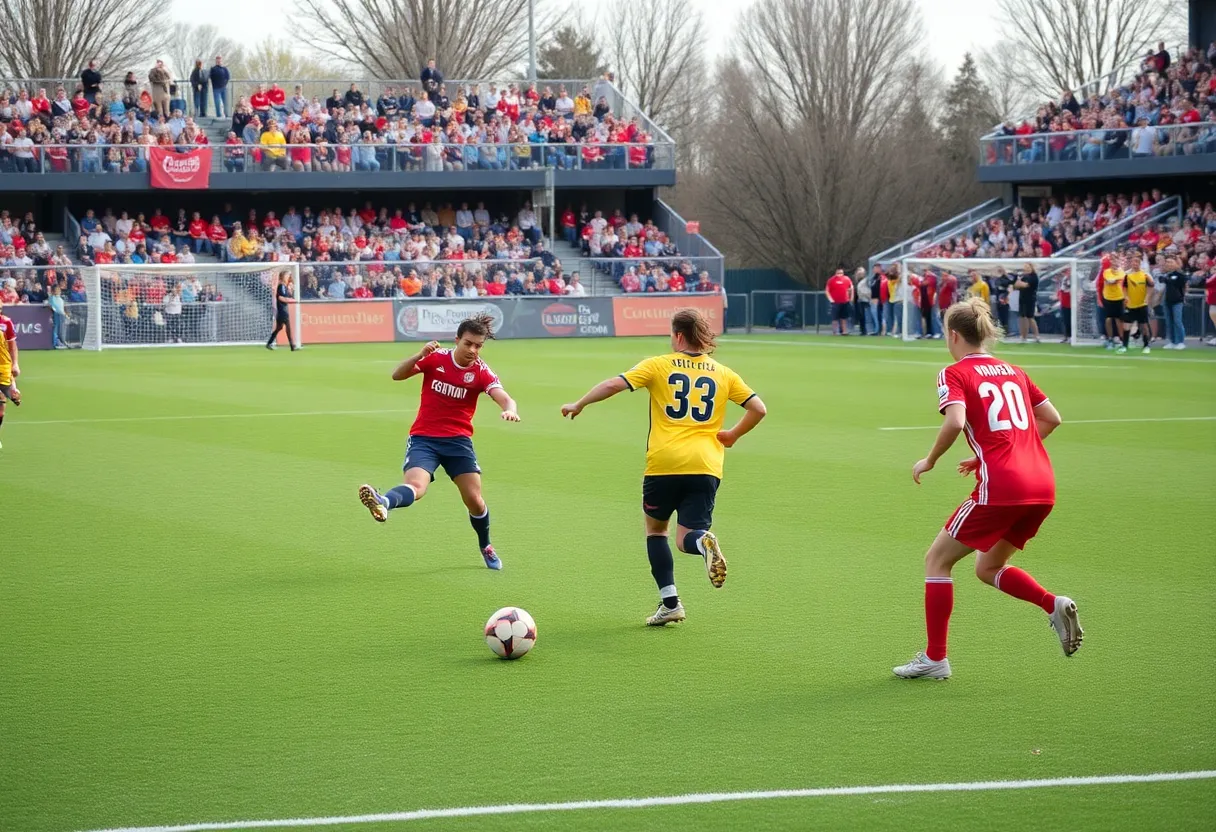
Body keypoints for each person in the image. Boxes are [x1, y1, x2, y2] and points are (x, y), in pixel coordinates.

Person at [893, 298, 1081, 680]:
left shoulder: (955, 373)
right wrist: (991, 456)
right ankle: (1052, 604)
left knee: (937, 561)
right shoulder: (1014, 371)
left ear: (953, 335)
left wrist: (929, 460)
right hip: (1042, 486)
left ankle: (935, 659)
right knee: (989, 566)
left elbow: (954, 422)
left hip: (1002, 488)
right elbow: (1052, 418)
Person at [560, 309, 768, 626]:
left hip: (664, 463)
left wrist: (580, 403)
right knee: (687, 537)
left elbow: (613, 385)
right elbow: (758, 408)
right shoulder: (723, 373)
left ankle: (670, 603)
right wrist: (733, 434)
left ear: (679, 336)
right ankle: (702, 542)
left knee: (656, 531)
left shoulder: (658, 365)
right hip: (706, 465)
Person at [357, 315, 520, 570]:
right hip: (424, 438)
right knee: (416, 486)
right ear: (457, 340)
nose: (473, 351)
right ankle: (384, 501)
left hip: (458, 443)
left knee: (474, 499)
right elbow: (397, 375)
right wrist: (419, 355)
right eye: (469, 344)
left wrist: (510, 409)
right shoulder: (436, 358)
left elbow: (505, 398)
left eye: (478, 346)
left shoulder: (481, 372)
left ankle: (485, 545)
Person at [1121, 256, 1154, 354]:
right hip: (1130, 305)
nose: (1134, 264)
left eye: (1137, 262)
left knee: (1143, 326)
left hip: (1141, 304)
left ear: (1140, 264)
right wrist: (1126, 297)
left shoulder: (1145, 275)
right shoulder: (1127, 275)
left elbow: (1151, 286)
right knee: (1126, 326)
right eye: (1133, 262)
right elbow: (1125, 288)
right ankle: (1124, 346)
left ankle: (1146, 345)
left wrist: (1147, 297)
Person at [0, 301, 21, 449]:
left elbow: (12, 346)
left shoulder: (6, 323)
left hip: (3, 368)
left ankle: (13, 391)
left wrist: (15, 364)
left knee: (1, 408)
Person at [1160, 256, 1189, 350]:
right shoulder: (1167, 275)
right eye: (1167, 262)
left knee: (1177, 321)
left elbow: (1183, 286)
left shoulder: (1180, 274)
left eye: (1171, 262)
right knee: (1169, 322)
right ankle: (1172, 341)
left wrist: (1184, 297)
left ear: (1176, 263)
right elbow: (1162, 281)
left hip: (1177, 300)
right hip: (1167, 300)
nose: (1168, 264)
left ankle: (1180, 341)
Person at [1100, 254, 1127, 350]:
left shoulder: (1121, 272)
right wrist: (1113, 280)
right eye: (1113, 260)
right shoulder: (1106, 271)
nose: (1115, 263)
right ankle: (1110, 339)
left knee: (1119, 319)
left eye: (1117, 261)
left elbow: (1118, 279)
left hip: (1119, 298)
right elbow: (1109, 280)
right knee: (1108, 319)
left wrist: (1113, 280)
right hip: (1108, 298)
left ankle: (1122, 340)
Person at [266, 270, 298, 351]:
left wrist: (291, 290)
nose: (289, 277)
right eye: (287, 275)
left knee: (279, 328)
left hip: (282, 310)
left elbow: (288, 296)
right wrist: (292, 300)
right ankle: (292, 346)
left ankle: (269, 343)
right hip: (282, 310)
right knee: (288, 327)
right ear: (283, 276)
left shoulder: (285, 286)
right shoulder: (281, 286)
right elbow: (281, 298)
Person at [1012, 264, 1041, 343]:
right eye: (1025, 268)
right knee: (1022, 317)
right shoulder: (1024, 277)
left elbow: (1025, 285)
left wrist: (1019, 282)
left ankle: (1037, 336)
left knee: (1030, 317)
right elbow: (1015, 286)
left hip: (1030, 299)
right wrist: (1019, 282)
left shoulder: (1033, 277)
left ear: (1032, 268)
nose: (1026, 269)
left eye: (1028, 267)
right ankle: (1023, 336)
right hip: (1022, 299)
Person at [825, 267, 853, 335]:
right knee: (835, 318)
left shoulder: (847, 279)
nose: (840, 275)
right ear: (835, 273)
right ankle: (835, 332)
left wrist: (851, 297)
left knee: (844, 318)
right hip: (835, 302)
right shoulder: (831, 280)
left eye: (841, 273)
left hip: (845, 301)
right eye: (838, 273)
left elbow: (851, 288)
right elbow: (827, 291)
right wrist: (831, 300)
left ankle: (844, 331)